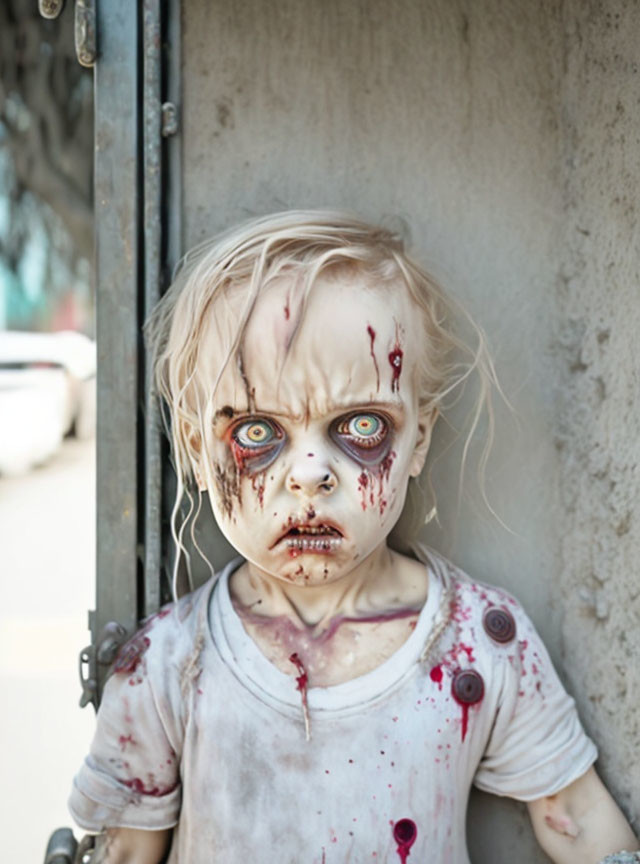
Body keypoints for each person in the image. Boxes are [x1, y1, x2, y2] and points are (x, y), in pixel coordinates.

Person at [68, 211, 638, 863]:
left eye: (361, 426)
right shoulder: (166, 666)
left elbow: (576, 818)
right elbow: (124, 852)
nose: (309, 476)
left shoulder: (479, 643)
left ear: (416, 439)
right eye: (256, 432)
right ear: (198, 451)